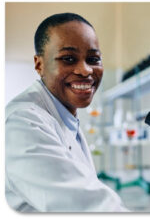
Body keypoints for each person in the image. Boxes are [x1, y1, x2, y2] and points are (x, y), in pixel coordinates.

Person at [5, 13, 128, 212]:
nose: (85, 70)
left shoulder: (64, 117)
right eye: (68, 59)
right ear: (39, 64)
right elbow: (86, 206)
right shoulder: (23, 123)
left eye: (93, 59)